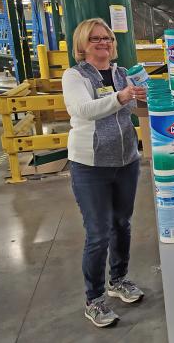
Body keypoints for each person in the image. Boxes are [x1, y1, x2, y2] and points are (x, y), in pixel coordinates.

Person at [62, 18, 147, 327]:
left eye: (108, 38)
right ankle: (94, 299)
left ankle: (118, 280)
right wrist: (121, 97)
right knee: (98, 233)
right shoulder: (75, 76)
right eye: (95, 38)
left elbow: (134, 110)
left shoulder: (121, 74)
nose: (103, 43)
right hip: (91, 166)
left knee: (121, 224)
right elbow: (82, 110)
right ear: (82, 45)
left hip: (126, 161)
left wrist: (147, 99)